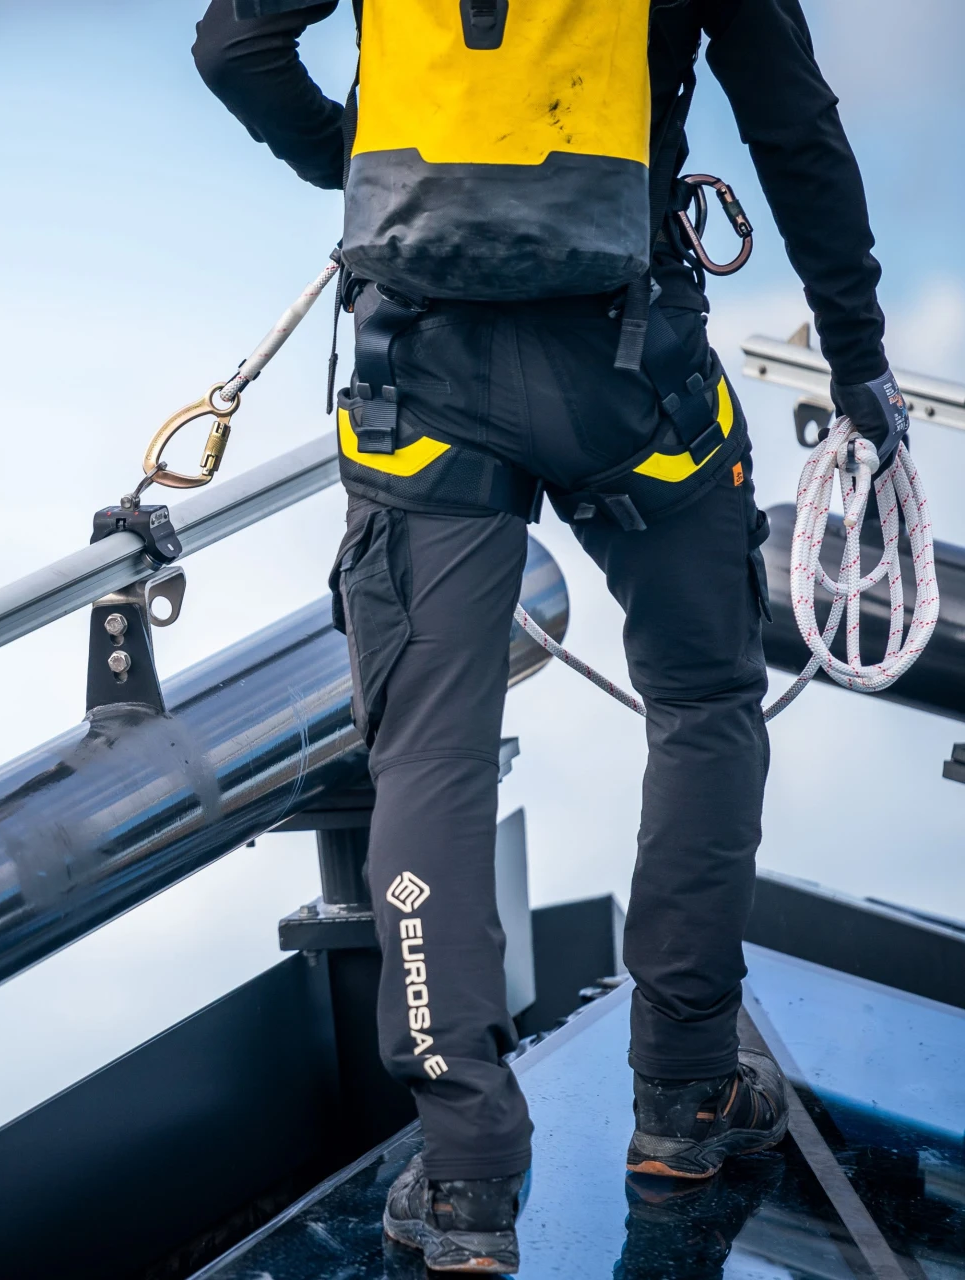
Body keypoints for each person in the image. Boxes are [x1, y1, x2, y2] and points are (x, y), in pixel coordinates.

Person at [194, 1, 906, 1272]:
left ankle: (466, 1174)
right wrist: (857, 365)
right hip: (635, 374)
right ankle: (685, 1095)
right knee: (702, 699)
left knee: (428, 757)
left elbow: (233, 47)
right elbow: (794, 129)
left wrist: (356, 158)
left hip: (419, 374)